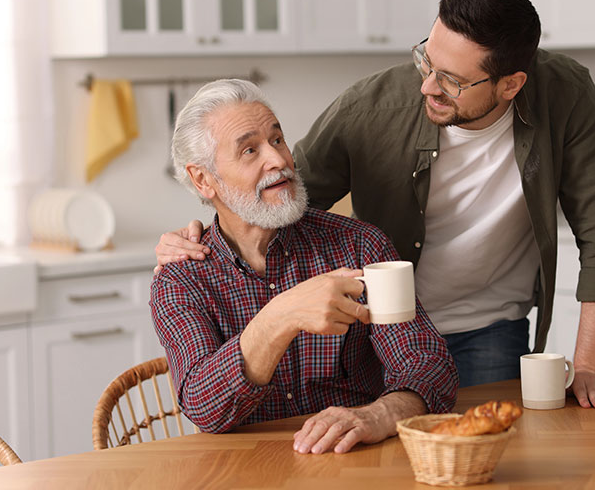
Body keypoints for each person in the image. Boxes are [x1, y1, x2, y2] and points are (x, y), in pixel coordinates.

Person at [154, 0, 595, 409]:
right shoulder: (370, 108)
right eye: (427, 58)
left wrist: (589, 366)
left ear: (510, 84)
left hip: (488, 324)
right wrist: (199, 239)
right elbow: (280, 194)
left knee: (483, 460)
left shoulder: (565, 95)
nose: (428, 84)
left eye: (451, 80)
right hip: (380, 332)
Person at [150, 78, 458, 455]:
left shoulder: (360, 244)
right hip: (249, 472)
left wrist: (380, 414)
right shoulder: (182, 278)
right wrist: (281, 316)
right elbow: (203, 406)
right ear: (203, 179)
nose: (278, 160)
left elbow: (428, 364)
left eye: (277, 140)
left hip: (357, 462)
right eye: (249, 150)